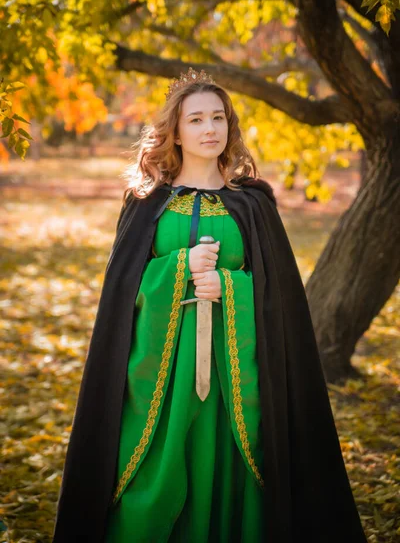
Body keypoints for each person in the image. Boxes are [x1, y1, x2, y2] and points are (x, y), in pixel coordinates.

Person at [52, 68, 367, 543]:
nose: (209, 129)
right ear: (176, 132)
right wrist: (178, 267)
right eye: (196, 119)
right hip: (162, 370)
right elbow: (122, 292)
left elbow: (277, 297)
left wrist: (229, 286)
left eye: (218, 118)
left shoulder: (253, 204)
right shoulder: (146, 202)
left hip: (233, 372)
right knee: (153, 474)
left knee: (228, 469)